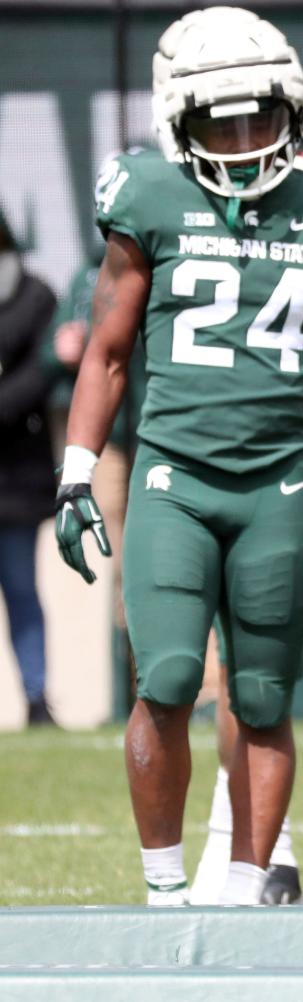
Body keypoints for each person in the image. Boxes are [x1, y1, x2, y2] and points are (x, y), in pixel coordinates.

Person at [54, 7, 303, 905]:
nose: (241, 141)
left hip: (281, 480)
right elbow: (110, 351)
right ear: (177, 119)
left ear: (295, 110)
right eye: (217, 121)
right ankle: (164, 891)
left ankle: (242, 888)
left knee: (264, 696)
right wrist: (78, 467)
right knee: (163, 677)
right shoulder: (147, 193)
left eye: (258, 118)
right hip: (173, 476)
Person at [0, 212, 58, 726]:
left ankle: (38, 696)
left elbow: (41, 374)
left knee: (21, 589)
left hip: (16, 484)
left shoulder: (36, 297)